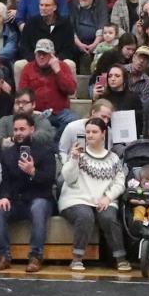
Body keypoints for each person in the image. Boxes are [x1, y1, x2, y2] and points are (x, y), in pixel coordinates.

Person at [58, 117, 129, 272]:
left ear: (103, 134)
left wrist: (108, 197)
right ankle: (76, 259)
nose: (90, 135)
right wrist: (74, 159)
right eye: (88, 132)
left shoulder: (113, 158)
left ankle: (120, 258)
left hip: (103, 199)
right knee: (85, 216)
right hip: (76, 198)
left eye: (94, 132)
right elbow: (69, 179)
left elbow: (119, 183)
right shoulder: (78, 154)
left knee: (109, 217)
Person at [0, 113, 57, 272]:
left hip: (39, 198)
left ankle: (35, 256)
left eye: (22, 129)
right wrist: (4, 197)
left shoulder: (45, 151)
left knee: (38, 207)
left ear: (32, 129)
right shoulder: (6, 153)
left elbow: (49, 180)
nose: (19, 133)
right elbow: (4, 181)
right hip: (16, 200)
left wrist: (33, 172)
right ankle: (3, 256)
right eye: (15, 130)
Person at [19, 38, 79, 135]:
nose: (41, 57)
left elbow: (71, 90)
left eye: (45, 54)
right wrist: (32, 110)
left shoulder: (63, 66)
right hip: (36, 113)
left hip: (60, 112)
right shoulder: (28, 69)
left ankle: (55, 140)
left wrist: (58, 71)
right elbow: (23, 94)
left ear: (52, 55)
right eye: (39, 54)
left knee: (74, 121)